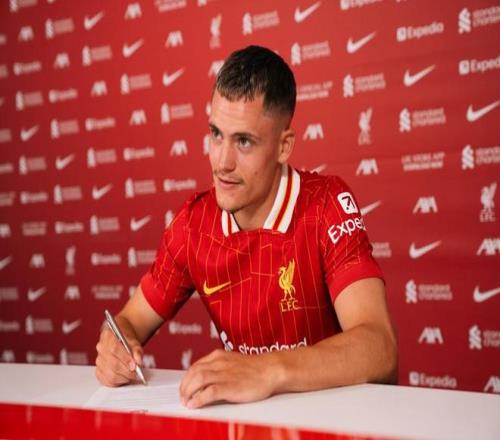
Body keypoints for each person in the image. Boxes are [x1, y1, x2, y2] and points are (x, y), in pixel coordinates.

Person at [95, 45, 398, 409]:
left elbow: (379, 347)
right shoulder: (193, 224)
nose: (222, 162)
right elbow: (129, 321)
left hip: (334, 421)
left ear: (284, 146)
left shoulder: (326, 204)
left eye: (243, 141)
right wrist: (115, 346)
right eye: (216, 134)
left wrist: (266, 370)